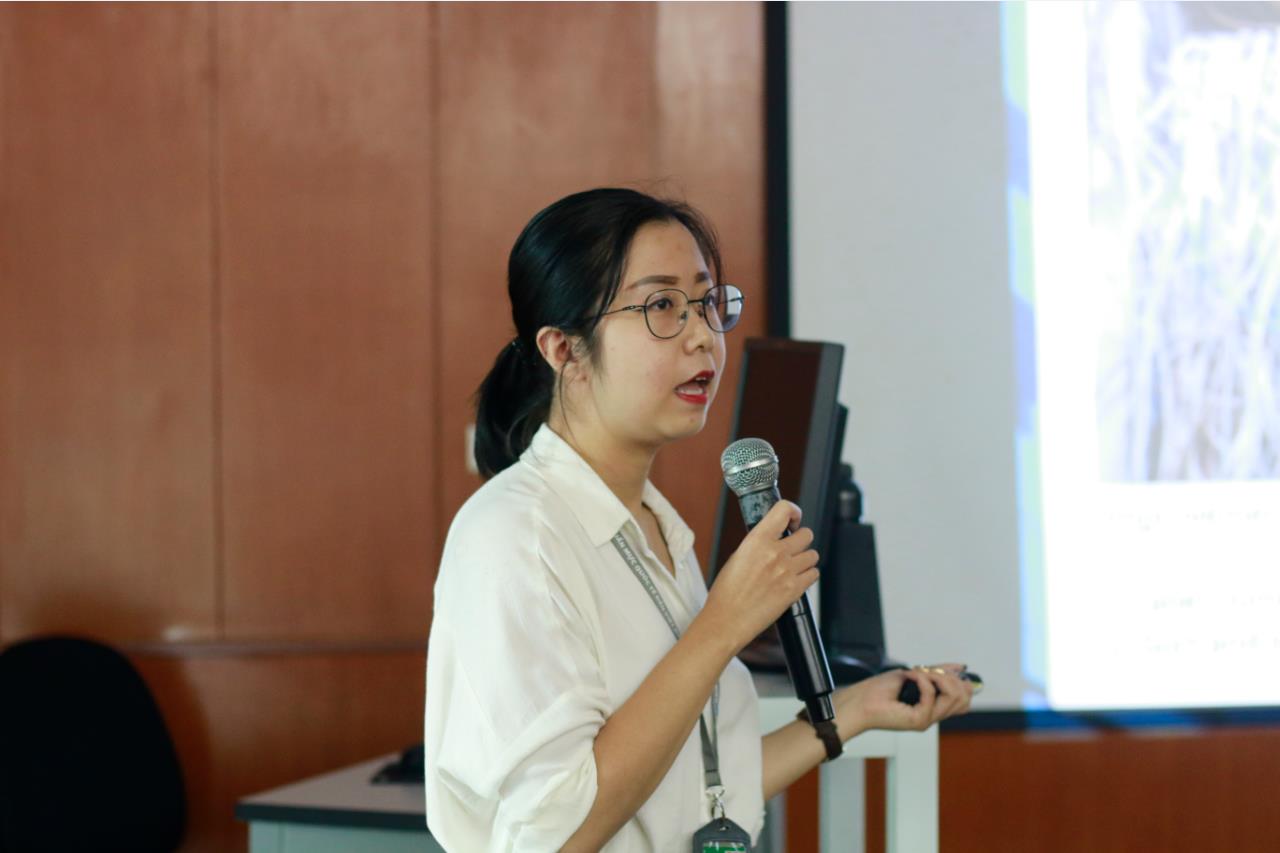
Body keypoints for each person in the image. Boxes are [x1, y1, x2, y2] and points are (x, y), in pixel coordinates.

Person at [423, 187, 973, 852]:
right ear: (563, 349)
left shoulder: (656, 528)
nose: (703, 336)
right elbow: (555, 833)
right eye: (661, 306)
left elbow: (693, 789)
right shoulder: (513, 537)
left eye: (708, 303)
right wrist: (722, 624)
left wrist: (855, 711)